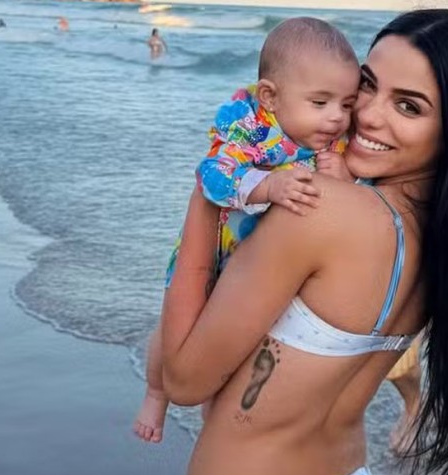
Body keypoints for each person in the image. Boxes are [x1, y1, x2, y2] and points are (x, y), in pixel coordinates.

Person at [161, 9, 448, 475]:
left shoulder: (321, 211)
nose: (368, 115)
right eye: (368, 87)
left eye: (409, 107)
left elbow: (184, 380)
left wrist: (207, 196)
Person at [132, 17, 360, 443]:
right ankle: (155, 393)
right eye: (320, 102)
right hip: (213, 249)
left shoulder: (332, 144)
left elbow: (346, 206)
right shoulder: (250, 127)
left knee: (234, 347)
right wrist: (266, 185)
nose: (336, 118)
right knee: (173, 328)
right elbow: (211, 174)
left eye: (347, 105)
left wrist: (344, 178)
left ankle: (213, 410)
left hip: (256, 268)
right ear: (270, 96)